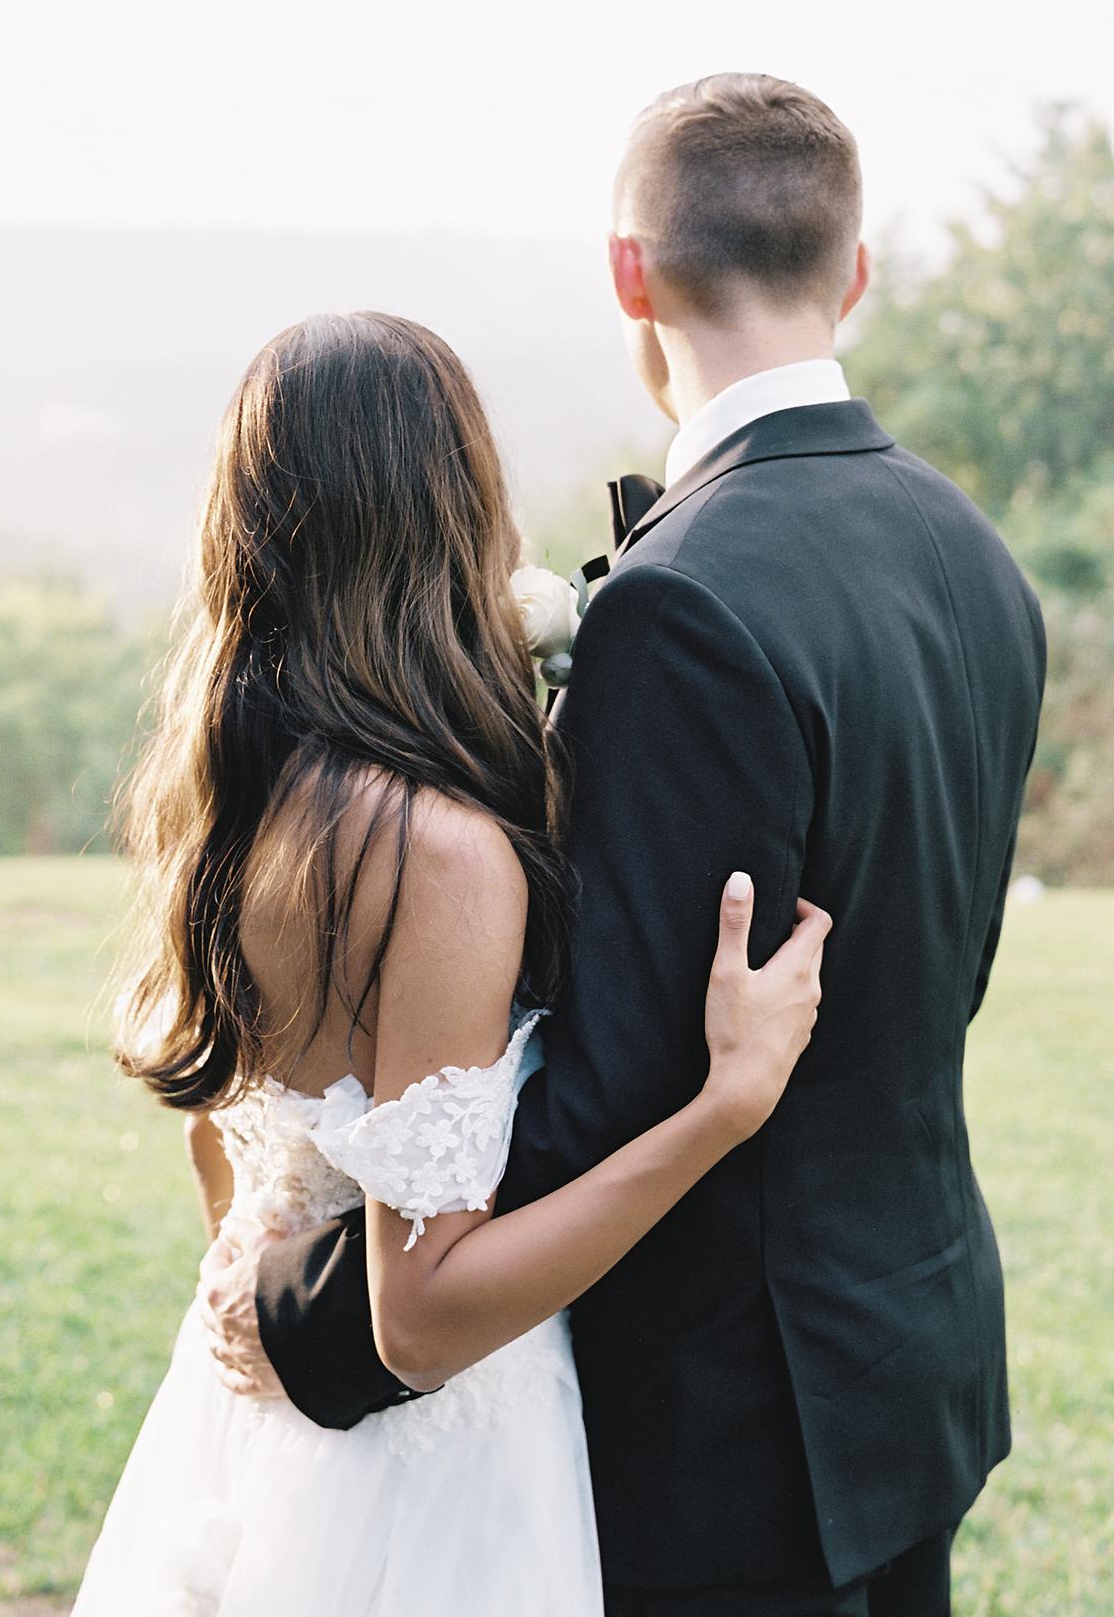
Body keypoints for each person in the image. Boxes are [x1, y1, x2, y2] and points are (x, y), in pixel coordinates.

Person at [204, 74, 1047, 1616]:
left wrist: (309, 1303)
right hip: (907, 1349)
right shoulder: (966, 548)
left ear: (626, 274)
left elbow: (606, 1078)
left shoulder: (677, 603)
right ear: (850, 271)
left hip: (728, 1415)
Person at [70, 306, 832, 1617]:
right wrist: (724, 1108)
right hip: (423, 1489)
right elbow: (417, 1316)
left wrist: (265, 1252)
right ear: (456, 503)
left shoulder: (240, 789)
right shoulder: (430, 851)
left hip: (259, 1435)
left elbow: (226, 1133)